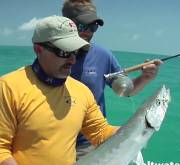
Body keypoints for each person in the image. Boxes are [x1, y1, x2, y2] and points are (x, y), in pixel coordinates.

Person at [0, 15, 119, 165]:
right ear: (38, 49)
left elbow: (101, 133)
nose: (72, 60)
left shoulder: (81, 91)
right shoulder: (8, 87)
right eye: (64, 52)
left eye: (75, 52)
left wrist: (141, 127)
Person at [62, 0, 163, 156]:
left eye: (93, 26)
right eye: (83, 26)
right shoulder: (52, 55)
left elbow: (125, 90)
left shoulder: (103, 55)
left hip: (89, 143)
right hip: (55, 141)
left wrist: (144, 78)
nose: (89, 32)